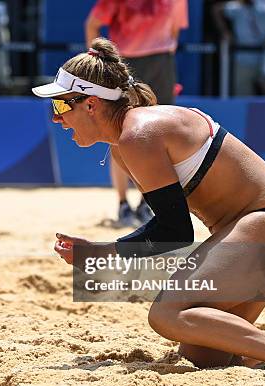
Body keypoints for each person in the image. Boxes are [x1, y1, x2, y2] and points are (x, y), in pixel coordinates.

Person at [32, 38, 265, 375]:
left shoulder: (138, 134)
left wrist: (100, 253)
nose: (56, 119)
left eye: (60, 106)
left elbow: (174, 230)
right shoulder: (127, 144)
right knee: (204, 356)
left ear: (92, 104)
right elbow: (169, 228)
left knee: (166, 315)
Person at [85, 0, 188, 228]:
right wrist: (98, 65)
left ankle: (146, 204)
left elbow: (174, 31)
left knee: (160, 137)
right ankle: (123, 204)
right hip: (125, 63)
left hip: (161, 62)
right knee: (118, 134)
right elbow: (92, 25)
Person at [212, 0, 265, 96]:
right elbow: (216, 9)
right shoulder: (235, 7)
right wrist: (225, 32)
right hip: (242, 59)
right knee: (241, 94)